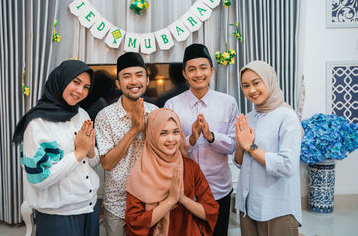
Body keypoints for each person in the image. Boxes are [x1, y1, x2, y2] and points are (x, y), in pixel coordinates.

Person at [12, 60, 100, 236]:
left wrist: (89, 150)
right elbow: (38, 180)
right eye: (76, 82)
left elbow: (93, 162)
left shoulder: (82, 114)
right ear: (60, 79)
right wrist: (78, 153)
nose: (80, 91)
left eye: (86, 87)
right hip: (58, 214)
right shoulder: (37, 123)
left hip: (90, 206)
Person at [164, 43, 238, 236]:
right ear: (184, 73)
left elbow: (233, 145)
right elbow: (168, 149)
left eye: (203, 68)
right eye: (192, 69)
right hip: (185, 190)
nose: (198, 74)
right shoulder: (172, 105)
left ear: (211, 70)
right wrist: (192, 138)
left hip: (219, 189)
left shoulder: (228, 103)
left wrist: (211, 137)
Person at [125, 108, 219, 236]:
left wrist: (183, 199)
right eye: (163, 133)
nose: (171, 139)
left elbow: (211, 210)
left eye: (175, 132)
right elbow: (135, 222)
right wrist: (170, 201)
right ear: (152, 135)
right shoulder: (141, 172)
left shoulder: (190, 167)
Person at [234, 60, 302, 236]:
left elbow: (287, 166)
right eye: (245, 86)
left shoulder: (287, 117)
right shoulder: (249, 117)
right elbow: (240, 164)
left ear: (269, 80)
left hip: (276, 207)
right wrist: (240, 146)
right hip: (247, 204)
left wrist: (251, 147)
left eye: (256, 83)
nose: (251, 90)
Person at [95, 52, 158, 236]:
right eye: (126, 76)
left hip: (149, 199)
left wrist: (145, 129)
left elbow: (162, 156)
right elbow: (107, 163)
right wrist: (133, 131)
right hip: (116, 202)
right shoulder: (105, 116)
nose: (134, 81)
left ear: (147, 80)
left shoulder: (156, 113)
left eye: (139, 75)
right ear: (118, 83)